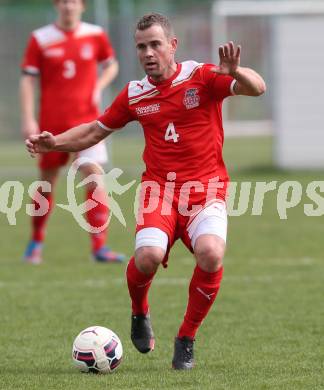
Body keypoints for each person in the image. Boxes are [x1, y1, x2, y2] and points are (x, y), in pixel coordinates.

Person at [26, 13, 266, 369]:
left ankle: (186, 338)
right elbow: (95, 131)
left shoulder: (201, 77)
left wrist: (235, 73)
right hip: (160, 193)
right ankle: (140, 312)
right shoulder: (136, 94)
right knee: (148, 256)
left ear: (172, 45)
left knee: (211, 253)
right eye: (141, 47)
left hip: (206, 192)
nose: (148, 53)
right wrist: (53, 142)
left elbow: (258, 87)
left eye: (155, 44)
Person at [20, 0, 125, 264]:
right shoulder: (41, 38)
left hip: (88, 124)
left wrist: (98, 87)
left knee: (93, 176)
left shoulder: (95, 34)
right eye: (64, 1)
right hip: (51, 125)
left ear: (83, 6)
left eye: (74, 1)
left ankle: (99, 246)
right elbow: (27, 79)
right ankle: (36, 242)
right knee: (47, 182)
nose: (69, 6)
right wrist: (28, 118)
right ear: (57, 5)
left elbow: (112, 65)